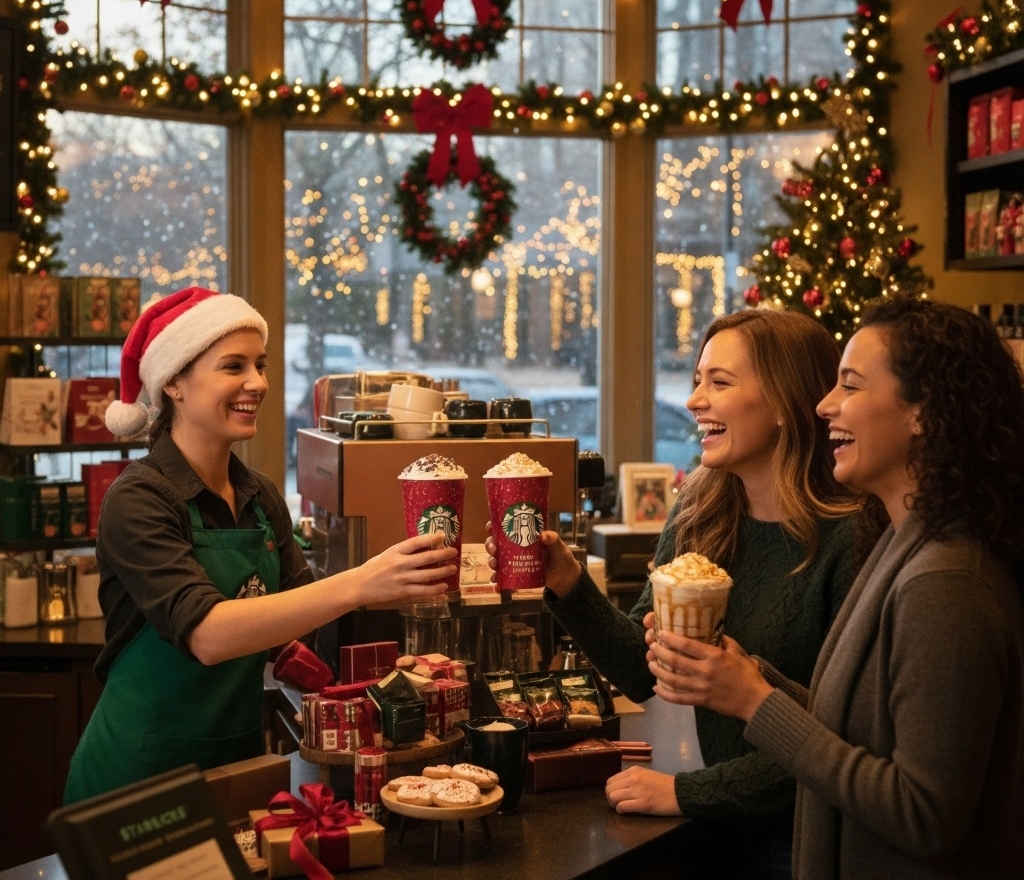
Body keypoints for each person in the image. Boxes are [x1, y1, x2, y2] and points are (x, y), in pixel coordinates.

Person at [649, 295, 1024, 879]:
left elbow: (924, 816)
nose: (825, 405)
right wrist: (750, 677)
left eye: (850, 386)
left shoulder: (946, 584)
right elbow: (856, 734)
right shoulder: (903, 545)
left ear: (924, 411)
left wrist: (754, 701)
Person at [489, 308, 860, 878]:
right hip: (722, 821)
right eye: (695, 380)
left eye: (720, 382)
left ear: (786, 402)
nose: (693, 400)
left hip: (806, 835)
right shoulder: (702, 511)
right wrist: (567, 583)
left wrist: (686, 793)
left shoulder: (849, 537)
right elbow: (640, 672)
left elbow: (836, 747)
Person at [64, 288, 455, 803]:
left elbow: (298, 626)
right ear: (174, 383)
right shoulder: (138, 499)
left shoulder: (258, 494)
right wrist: (363, 580)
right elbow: (207, 634)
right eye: (233, 366)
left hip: (236, 764)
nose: (258, 383)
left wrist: (391, 681)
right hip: (140, 775)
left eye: (260, 364)